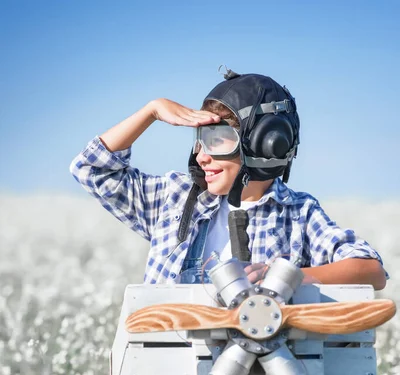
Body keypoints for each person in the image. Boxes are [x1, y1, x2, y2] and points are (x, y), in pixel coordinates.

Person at [70, 70, 387, 289]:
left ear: (265, 144)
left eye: (217, 140)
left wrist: (289, 276)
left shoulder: (297, 213)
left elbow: (371, 270)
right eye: (199, 141)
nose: (201, 156)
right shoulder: (175, 198)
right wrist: (151, 112)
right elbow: (91, 169)